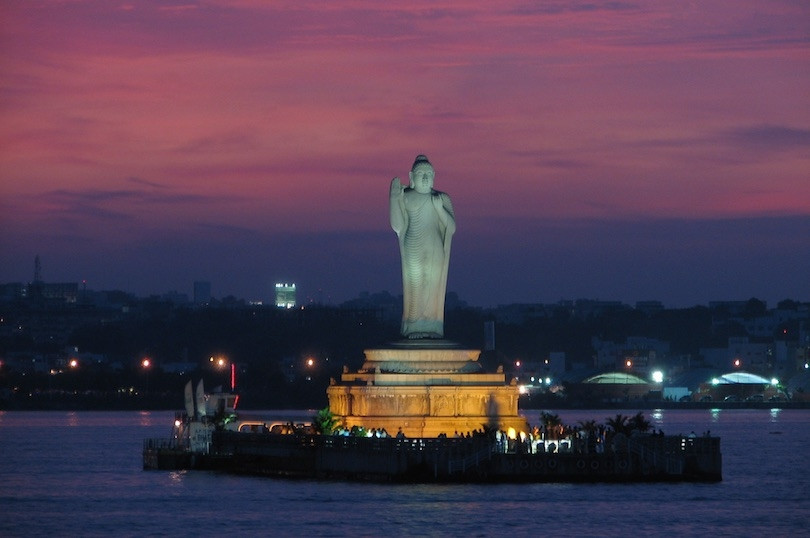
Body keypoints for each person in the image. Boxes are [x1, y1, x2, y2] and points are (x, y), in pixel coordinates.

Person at [389, 155, 456, 338]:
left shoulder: (441, 198)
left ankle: (432, 325)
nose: (425, 178)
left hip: (434, 247)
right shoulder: (406, 196)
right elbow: (397, 225)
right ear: (411, 176)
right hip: (413, 243)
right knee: (415, 284)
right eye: (420, 174)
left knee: (431, 285)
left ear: (434, 175)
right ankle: (413, 325)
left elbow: (451, 227)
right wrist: (394, 199)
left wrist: (439, 209)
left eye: (428, 174)